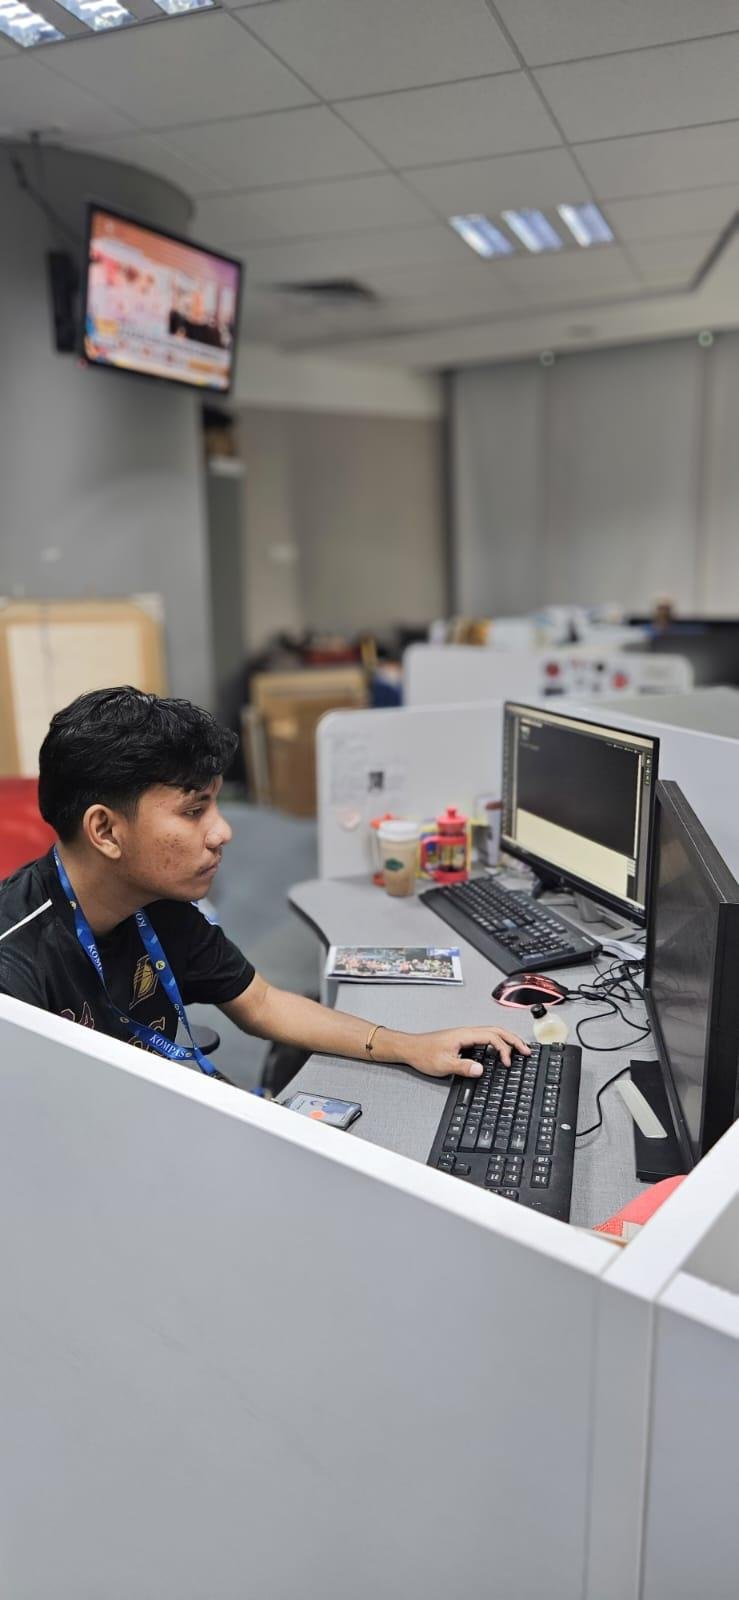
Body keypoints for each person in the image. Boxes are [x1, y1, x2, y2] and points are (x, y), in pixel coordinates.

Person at [0, 689, 527, 1084]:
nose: (222, 832)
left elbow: (262, 1003)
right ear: (105, 831)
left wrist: (408, 1046)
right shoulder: (14, 969)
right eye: (194, 811)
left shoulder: (154, 903)